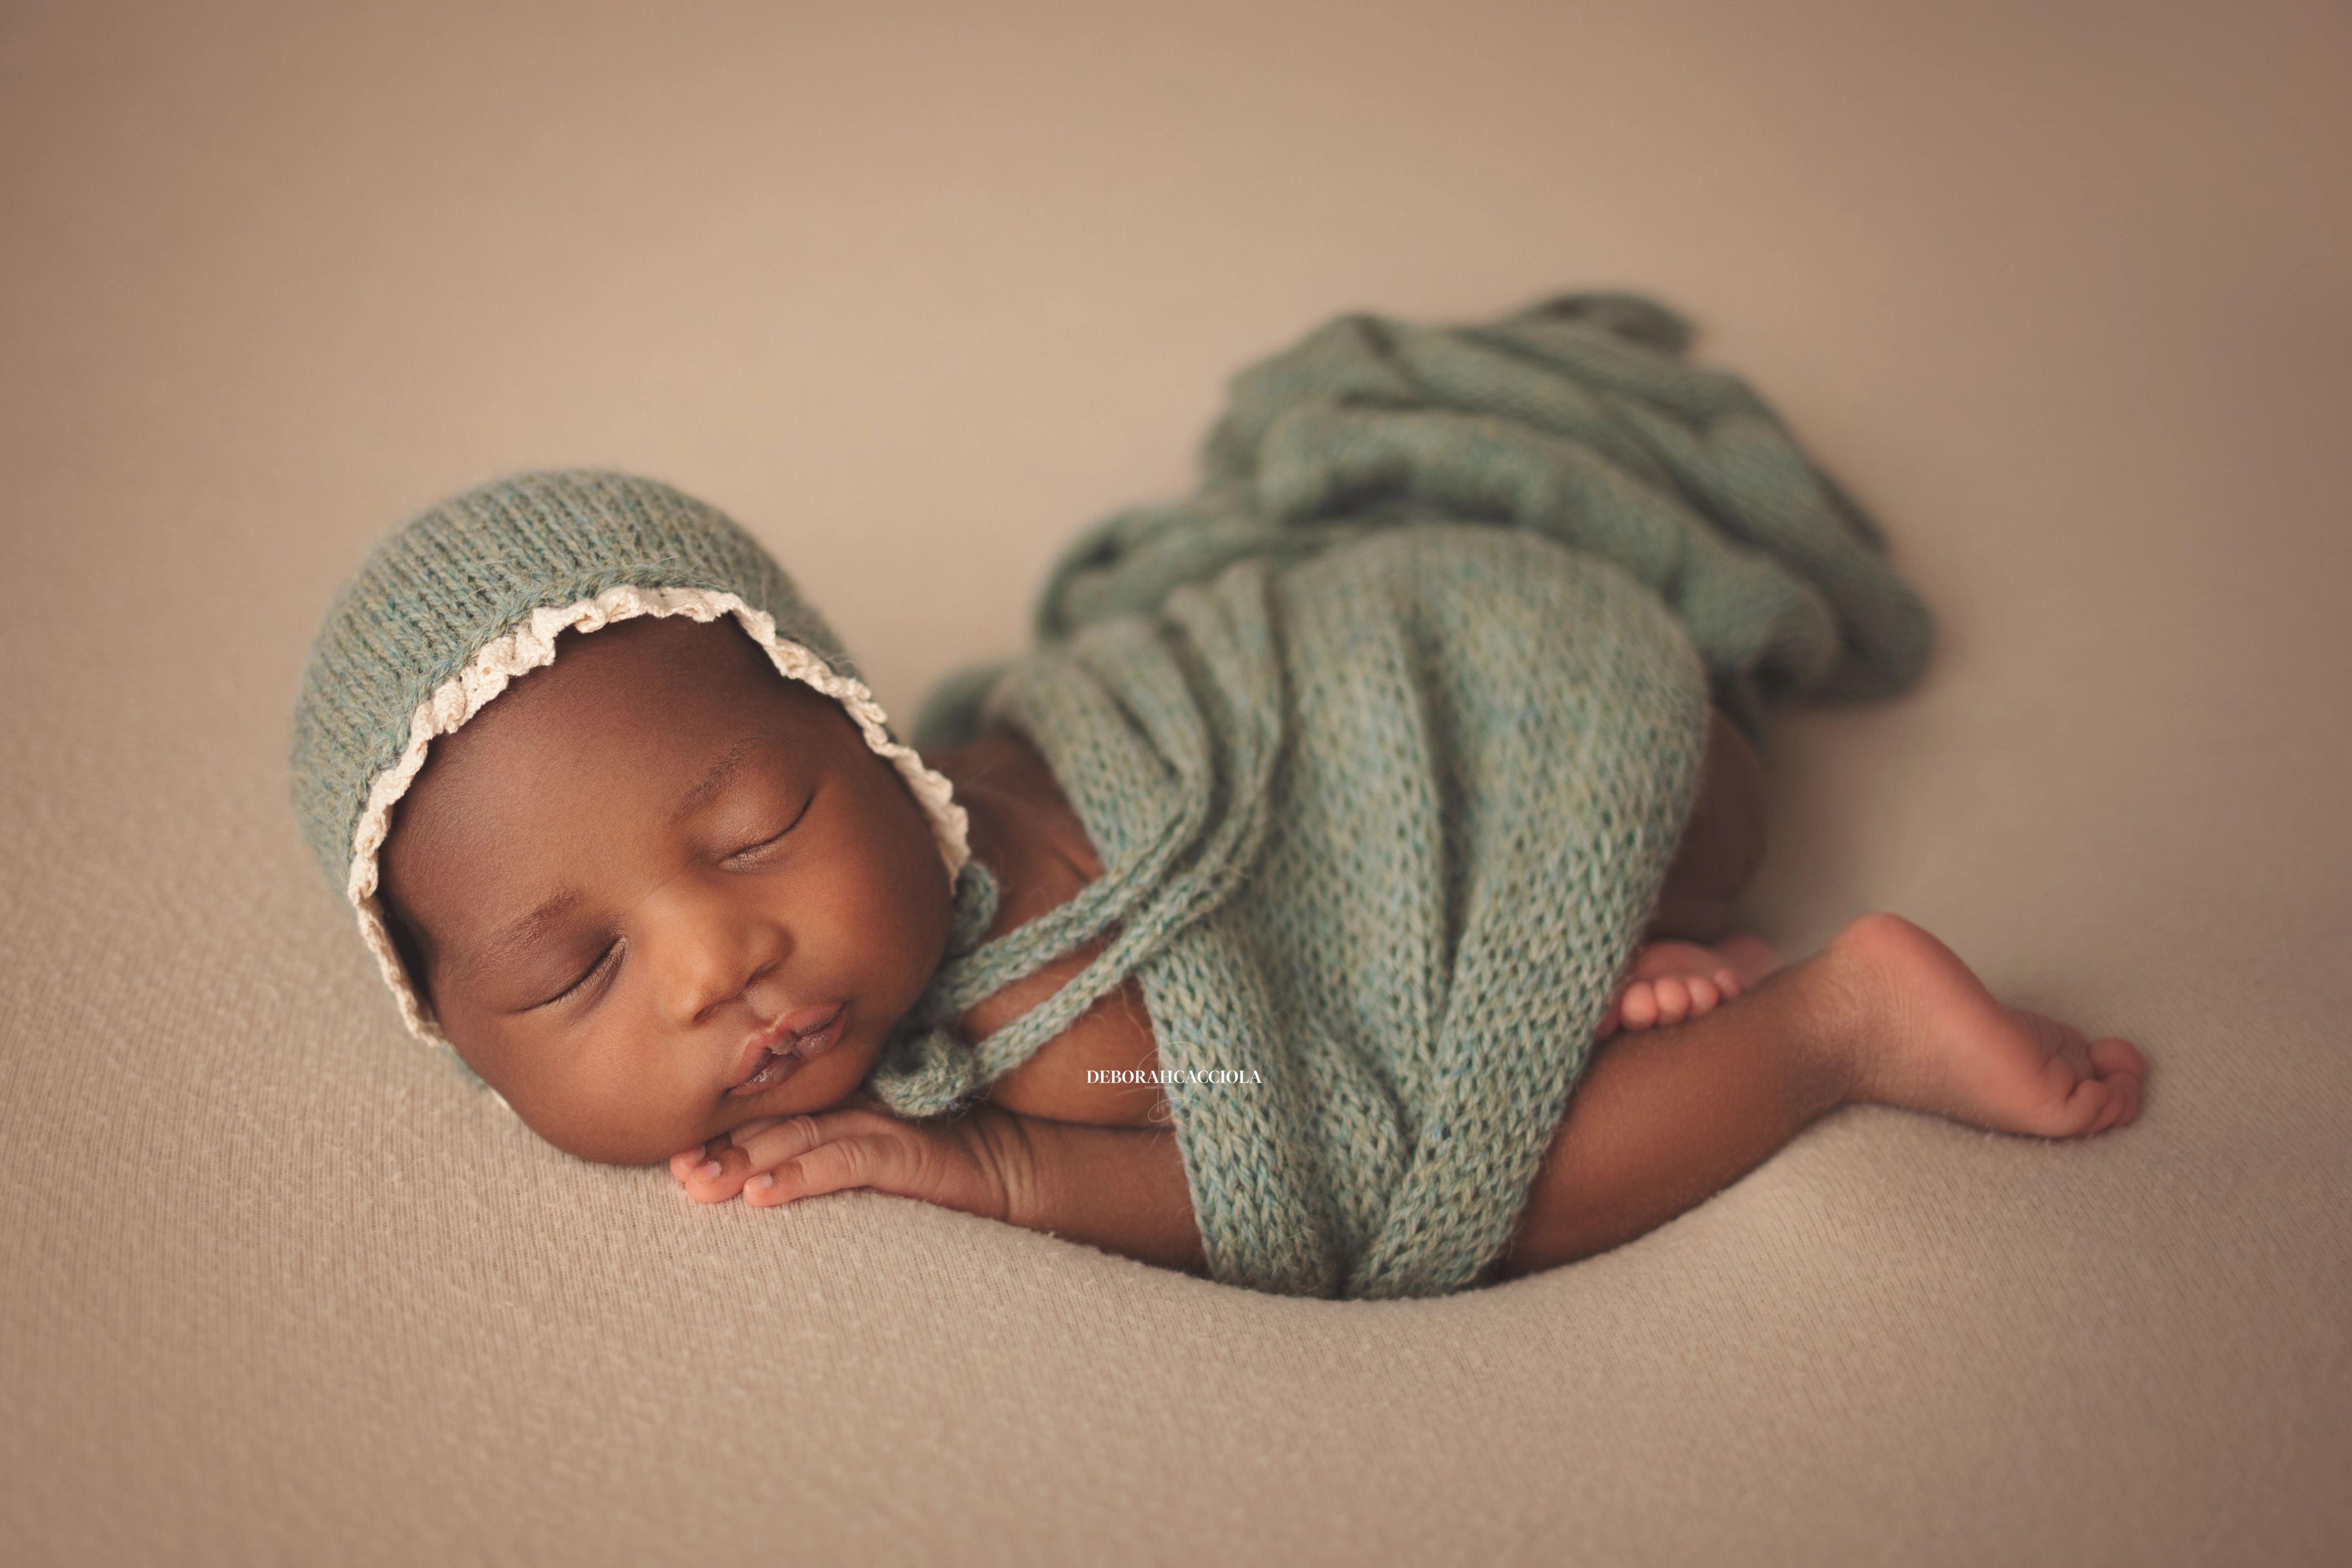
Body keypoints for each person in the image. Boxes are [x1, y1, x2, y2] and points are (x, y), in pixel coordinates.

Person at [290, 298, 2146, 1299]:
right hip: (1464, 658)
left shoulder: (1042, 1013)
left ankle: (1838, 1023)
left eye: (757, 829)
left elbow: (1309, 1147)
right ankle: (1604, 949)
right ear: (456, 1036)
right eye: (575, 972)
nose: (719, 955)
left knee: (1477, 1192)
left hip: (1533, 699)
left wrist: (1003, 1171)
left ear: (872, 745)